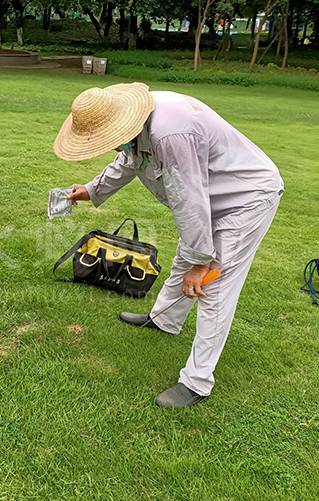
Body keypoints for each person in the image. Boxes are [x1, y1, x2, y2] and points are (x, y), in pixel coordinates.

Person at [55, 83, 283, 408]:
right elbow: (130, 159)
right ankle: (165, 319)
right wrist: (92, 190)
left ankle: (197, 382)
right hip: (210, 195)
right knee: (184, 261)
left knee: (212, 285)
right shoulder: (139, 122)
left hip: (245, 199)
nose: (110, 146)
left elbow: (188, 200)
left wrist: (202, 262)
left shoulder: (170, 135)